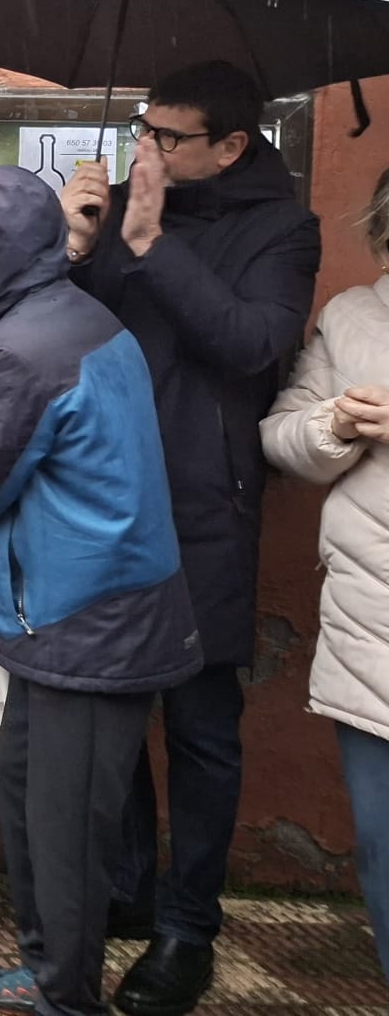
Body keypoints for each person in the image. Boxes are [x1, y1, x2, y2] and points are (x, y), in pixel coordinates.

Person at [0, 165, 204, 1016]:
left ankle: (67, 996)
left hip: (89, 623)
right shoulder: (69, 320)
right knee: (29, 800)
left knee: (61, 828)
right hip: (72, 618)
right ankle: (47, 968)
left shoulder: (27, 349)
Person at [59, 60, 320, 1016]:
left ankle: (185, 928)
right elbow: (69, 332)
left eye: (169, 138)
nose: (148, 151)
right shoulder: (121, 207)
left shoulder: (283, 228)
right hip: (104, 499)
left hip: (206, 510)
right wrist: (81, 246)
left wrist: (150, 242)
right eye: (143, 130)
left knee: (203, 731)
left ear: (231, 145)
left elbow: (254, 345)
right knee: (111, 713)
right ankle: (126, 892)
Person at [259, 167, 389, 980]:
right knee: (381, 846)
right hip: (369, 626)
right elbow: (281, 433)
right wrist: (332, 423)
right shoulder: (351, 316)